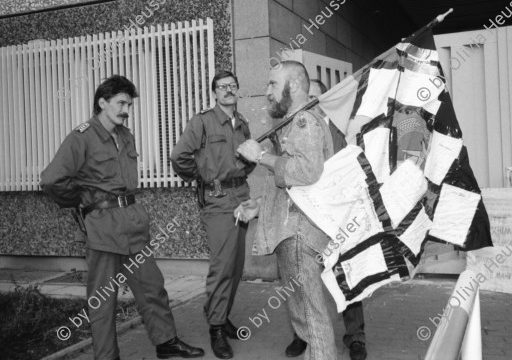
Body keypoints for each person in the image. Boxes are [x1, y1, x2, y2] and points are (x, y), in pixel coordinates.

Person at [41, 75, 204, 360]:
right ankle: (107, 356)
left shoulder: (125, 135)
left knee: (153, 288)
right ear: (102, 102)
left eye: (129, 103)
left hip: (133, 224)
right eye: (120, 102)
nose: (125, 108)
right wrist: (81, 202)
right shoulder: (81, 137)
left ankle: (166, 342)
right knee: (103, 301)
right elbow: (52, 180)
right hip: (104, 229)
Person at [235, 60, 337, 360]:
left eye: (273, 84)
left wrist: (261, 156)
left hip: (298, 234)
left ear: (292, 86)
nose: (267, 92)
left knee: (311, 319)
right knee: (307, 320)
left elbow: (306, 172)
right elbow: (299, 187)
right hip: (295, 230)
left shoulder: (303, 121)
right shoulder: (297, 122)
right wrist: (262, 206)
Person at [170, 71, 254, 359]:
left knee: (236, 266)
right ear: (214, 93)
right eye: (222, 87)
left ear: (238, 90)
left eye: (233, 85)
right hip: (218, 201)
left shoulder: (242, 123)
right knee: (222, 267)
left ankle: (219, 312)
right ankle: (216, 328)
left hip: (241, 196)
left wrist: (241, 176)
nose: (228, 90)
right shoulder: (202, 121)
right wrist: (203, 177)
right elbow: (178, 157)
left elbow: (250, 157)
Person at [283, 79, 367, 360]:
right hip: (306, 215)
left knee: (347, 273)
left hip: (339, 215)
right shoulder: (295, 128)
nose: (310, 104)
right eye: (308, 98)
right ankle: (302, 336)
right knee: (302, 281)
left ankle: (355, 336)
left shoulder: (342, 130)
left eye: (315, 99)